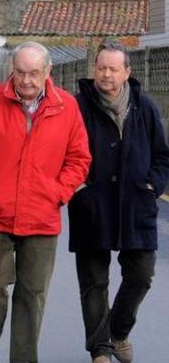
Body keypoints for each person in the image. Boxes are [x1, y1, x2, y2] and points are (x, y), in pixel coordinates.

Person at [0, 41, 91, 363]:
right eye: (19, 73)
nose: (26, 81)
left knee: (32, 295)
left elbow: (79, 160)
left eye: (33, 74)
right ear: (10, 70)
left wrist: (57, 193)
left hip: (42, 216)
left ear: (47, 72)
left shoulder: (67, 107)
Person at [69, 42, 169, 363]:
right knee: (94, 283)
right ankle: (100, 349)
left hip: (137, 205)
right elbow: (60, 153)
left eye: (113, 68)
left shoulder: (145, 107)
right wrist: (78, 189)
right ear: (93, 69)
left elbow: (163, 155)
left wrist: (152, 186)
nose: (106, 74)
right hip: (91, 207)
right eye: (101, 68)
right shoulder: (77, 107)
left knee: (141, 275)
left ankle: (119, 332)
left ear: (127, 72)